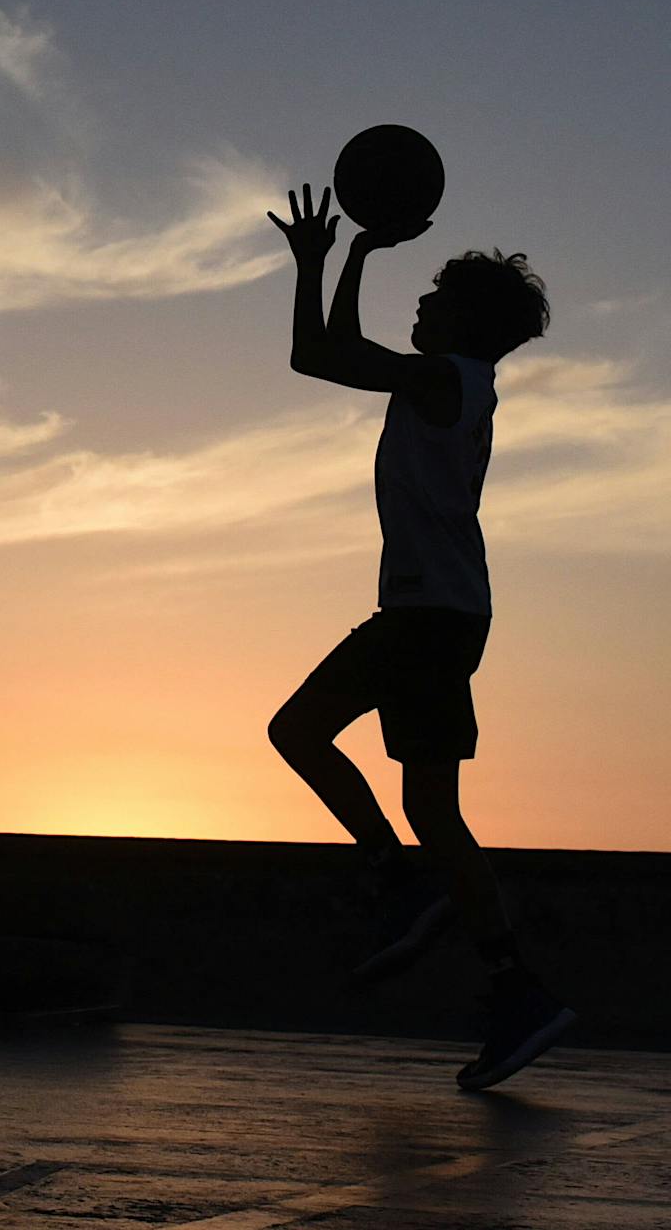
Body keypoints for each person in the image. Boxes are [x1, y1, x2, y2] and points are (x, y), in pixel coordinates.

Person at [266, 184, 573, 1091]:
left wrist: (341, 259)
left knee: (311, 741)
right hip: (435, 613)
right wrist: (331, 261)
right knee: (428, 805)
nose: (423, 305)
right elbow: (313, 353)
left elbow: (324, 356)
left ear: (467, 320)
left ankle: (411, 895)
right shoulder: (449, 380)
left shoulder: (445, 377)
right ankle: (511, 986)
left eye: (436, 298)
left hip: (428, 617)